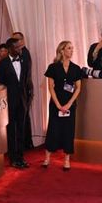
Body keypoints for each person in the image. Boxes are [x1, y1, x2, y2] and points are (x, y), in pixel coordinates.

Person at [43, 41, 83, 171]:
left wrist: (69, 104)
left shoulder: (76, 68)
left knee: (68, 131)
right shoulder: (53, 67)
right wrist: (58, 105)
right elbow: (51, 87)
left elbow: (78, 88)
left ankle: (66, 160)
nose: (72, 51)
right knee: (53, 130)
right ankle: (47, 158)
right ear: (62, 51)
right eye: (69, 48)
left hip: (70, 104)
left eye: (72, 48)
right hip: (55, 104)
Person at [0, 38, 32, 168]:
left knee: (21, 129)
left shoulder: (25, 61)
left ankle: (21, 157)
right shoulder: (3, 64)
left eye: (20, 47)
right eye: (17, 47)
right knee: (11, 130)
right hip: (9, 102)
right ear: (10, 49)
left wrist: (28, 98)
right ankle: (13, 159)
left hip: (22, 101)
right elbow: (1, 85)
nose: (20, 49)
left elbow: (27, 81)